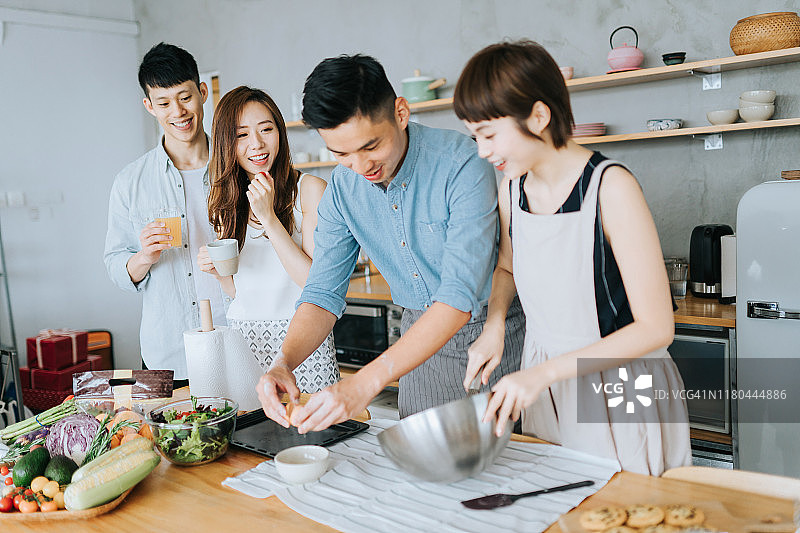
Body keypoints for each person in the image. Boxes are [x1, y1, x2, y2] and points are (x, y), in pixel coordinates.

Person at [453, 40, 691, 475]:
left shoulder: (611, 187)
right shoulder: (512, 189)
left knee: (629, 499)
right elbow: (507, 266)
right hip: (546, 380)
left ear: (538, 116)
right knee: (558, 498)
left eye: (489, 134)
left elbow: (657, 329)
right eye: (476, 137)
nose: (483, 151)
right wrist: (494, 326)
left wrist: (544, 374)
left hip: (622, 381)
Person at [256, 54, 525, 433]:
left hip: (493, 337)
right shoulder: (343, 189)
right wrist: (283, 363)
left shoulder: (462, 162)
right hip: (415, 348)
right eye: (341, 154)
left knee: (510, 460)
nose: (360, 166)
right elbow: (321, 294)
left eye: (371, 146)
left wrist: (363, 383)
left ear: (400, 113)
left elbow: (459, 294)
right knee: (421, 458)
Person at [197, 86, 339, 392]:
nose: (257, 144)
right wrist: (218, 272)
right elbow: (239, 291)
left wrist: (270, 219)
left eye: (266, 129)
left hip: (304, 342)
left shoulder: (310, 190)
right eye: (242, 135)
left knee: (313, 422)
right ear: (226, 143)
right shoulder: (225, 201)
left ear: (280, 132)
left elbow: (317, 284)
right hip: (245, 340)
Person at [104, 43, 227, 388]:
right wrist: (144, 257)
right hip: (170, 352)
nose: (178, 112)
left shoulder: (235, 166)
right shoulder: (130, 182)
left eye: (185, 97)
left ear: (202, 93)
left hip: (238, 338)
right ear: (149, 106)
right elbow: (115, 263)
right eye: (164, 103)